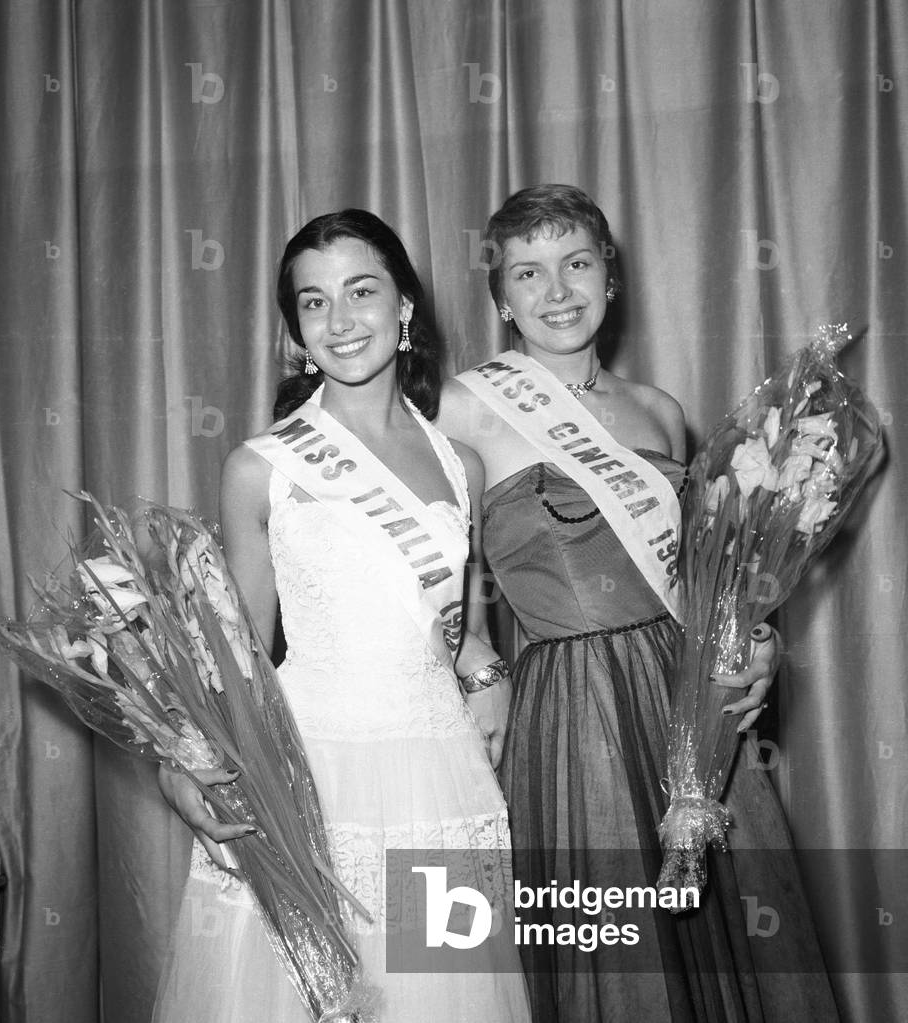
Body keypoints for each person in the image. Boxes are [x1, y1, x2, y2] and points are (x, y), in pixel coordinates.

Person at [437, 185, 840, 1022]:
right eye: (528, 273)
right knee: (614, 941)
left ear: (610, 279)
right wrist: (475, 668)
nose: (557, 292)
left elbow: (705, 574)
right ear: (500, 299)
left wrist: (753, 638)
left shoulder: (661, 411)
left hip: (689, 697)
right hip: (574, 708)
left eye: (576, 263)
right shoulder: (462, 408)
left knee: (730, 939)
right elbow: (454, 578)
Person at [153, 209, 530, 1022]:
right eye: (313, 301)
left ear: (404, 308)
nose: (340, 318)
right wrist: (182, 757)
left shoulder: (458, 462)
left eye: (362, 290)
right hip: (311, 771)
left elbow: (459, 630)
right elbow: (240, 648)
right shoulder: (261, 468)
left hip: (438, 771)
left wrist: (490, 674)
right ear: (295, 330)